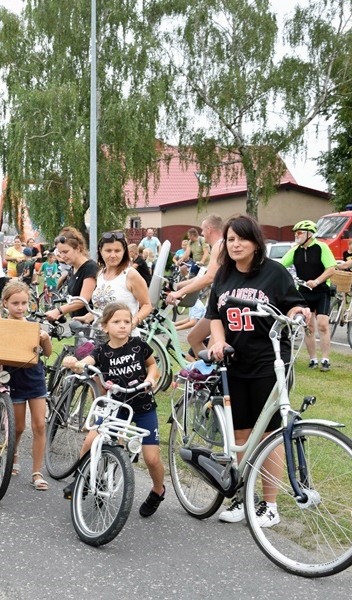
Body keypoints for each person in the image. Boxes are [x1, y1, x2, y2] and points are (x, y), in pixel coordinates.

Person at [206, 214, 309, 527]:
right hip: (234, 364)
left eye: (242, 239)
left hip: (268, 363)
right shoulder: (223, 275)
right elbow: (215, 316)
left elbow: (292, 304)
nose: (236, 245)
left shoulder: (273, 273)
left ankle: (270, 504)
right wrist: (218, 342)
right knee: (241, 433)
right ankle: (243, 497)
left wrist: (299, 313)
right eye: (231, 239)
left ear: (255, 242)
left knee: (269, 434)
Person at [61, 302, 165, 517]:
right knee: (90, 442)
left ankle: (157, 490)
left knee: (152, 458)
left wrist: (150, 378)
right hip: (115, 406)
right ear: (105, 326)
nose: (123, 326)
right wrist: (73, 362)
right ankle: (82, 479)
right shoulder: (101, 351)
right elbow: (85, 364)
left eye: (127, 321)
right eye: (116, 322)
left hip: (143, 406)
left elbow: (152, 364)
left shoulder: (139, 345)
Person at [0, 281, 52, 490]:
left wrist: (45, 338)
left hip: (35, 379)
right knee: (18, 427)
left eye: (24, 303)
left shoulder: (32, 325)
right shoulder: (1, 325)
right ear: (5, 303)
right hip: (13, 379)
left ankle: (37, 472)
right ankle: (13, 454)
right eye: (15, 303)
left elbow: (48, 353)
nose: (20, 307)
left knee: (39, 425)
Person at [281, 220, 337, 372]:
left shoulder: (321, 247)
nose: (296, 235)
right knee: (308, 327)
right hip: (304, 292)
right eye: (295, 233)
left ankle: (325, 359)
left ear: (309, 234)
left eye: (299, 233)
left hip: (321, 291)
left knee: (323, 325)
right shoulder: (296, 250)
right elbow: (281, 265)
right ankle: (313, 359)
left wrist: (317, 281)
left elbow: (331, 269)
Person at [166, 214, 225, 356]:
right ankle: (208, 372)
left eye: (203, 230)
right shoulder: (217, 246)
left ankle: (214, 373)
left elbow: (210, 277)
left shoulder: (219, 246)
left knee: (212, 348)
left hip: (223, 303)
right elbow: (203, 276)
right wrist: (177, 286)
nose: (202, 234)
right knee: (193, 338)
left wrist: (180, 292)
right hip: (216, 303)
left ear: (210, 229)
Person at [91, 231, 152, 328]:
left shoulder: (130, 275)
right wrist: (87, 316)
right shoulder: (101, 274)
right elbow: (102, 308)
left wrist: (134, 321)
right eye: (108, 251)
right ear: (100, 251)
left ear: (124, 251)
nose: (113, 255)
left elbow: (147, 305)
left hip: (124, 336)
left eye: (117, 251)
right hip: (100, 335)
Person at [45, 228, 98, 322]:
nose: (62, 256)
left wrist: (59, 311)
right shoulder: (73, 268)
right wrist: (61, 313)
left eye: (65, 252)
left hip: (91, 326)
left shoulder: (90, 268)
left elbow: (83, 300)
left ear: (78, 249)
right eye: (60, 253)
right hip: (78, 325)